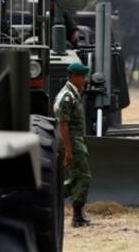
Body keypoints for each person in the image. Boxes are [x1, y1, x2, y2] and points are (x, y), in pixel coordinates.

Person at [55, 61, 92, 227]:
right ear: (72, 77)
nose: (84, 79)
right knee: (83, 177)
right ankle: (77, 216)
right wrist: (69, 151)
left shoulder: (73, 94)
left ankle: (53, 196)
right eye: (81, 76)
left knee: (77, 178)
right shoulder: (67, 97)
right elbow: (63, 125)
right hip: (72, 141)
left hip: (76, 141)